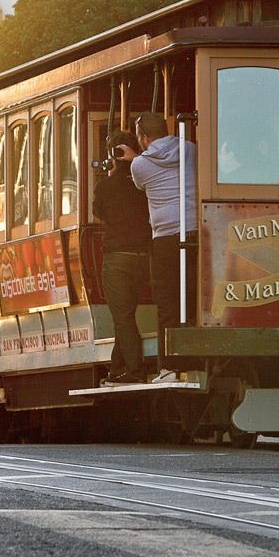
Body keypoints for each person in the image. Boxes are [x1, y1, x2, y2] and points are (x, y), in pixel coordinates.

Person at [117, 112, 198, 380]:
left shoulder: (139, 165)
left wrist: (130, 158)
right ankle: (199, 358)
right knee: (195, 296)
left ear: (144, 137)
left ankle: (170, 366)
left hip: (165, 238)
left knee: (167, 302)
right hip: (196, 231)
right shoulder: (190, 150)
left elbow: (141, 186)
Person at [92, 130, 152, 385]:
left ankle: (136, 371)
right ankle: (117, 368)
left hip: (117, 259)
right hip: (142, 257)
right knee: (124, 313)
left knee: (123, 316)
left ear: (112, 154)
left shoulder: (106, 185)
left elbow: (99, 213)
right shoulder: (146, 180)